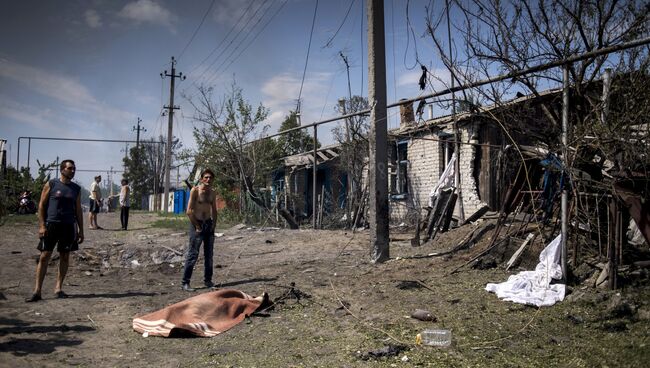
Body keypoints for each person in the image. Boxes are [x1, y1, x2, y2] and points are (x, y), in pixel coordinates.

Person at [26, 159, 84, 302]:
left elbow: (78, 211)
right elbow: (41, 205)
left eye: (74, 168)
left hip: (68, 226)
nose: (73, 170)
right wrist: (42, 226)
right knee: (45, 256)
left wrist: (81, 230)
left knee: (65, 256)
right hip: (51, 225)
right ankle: (37, 291)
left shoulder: (76, 189)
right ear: (62, 169)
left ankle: (58, 288)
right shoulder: (51, 184)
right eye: (70, 168)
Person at [181, 169, 218, 291]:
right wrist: (197, 226)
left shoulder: (212, 192)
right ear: (202, 179)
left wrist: (213, 225)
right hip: (196, 224)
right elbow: (189, 211)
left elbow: (214, 210)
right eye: (206, 177)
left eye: (210, 178)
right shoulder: (195, 191)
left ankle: (208, 280)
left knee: (209, 255)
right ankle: (185, 282)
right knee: (193, 254)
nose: (208, 180)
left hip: (208, 224)